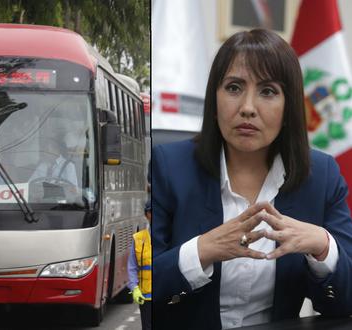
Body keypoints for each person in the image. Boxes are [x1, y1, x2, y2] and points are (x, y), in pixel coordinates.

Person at [152, 29, 352, 329]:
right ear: (214, 101)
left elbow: (343, 303)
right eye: (234, 88)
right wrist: (201, 251)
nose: (247, 107)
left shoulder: (320, 176)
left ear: (289, 109)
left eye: (268, 91)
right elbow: (141, 288)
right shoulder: (169, 167)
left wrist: (323, 247)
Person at [127, 200, 151, 330]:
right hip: (146, 297)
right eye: (151, 212)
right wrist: (134, 288)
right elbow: (132, 267)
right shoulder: (139, 239)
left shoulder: (169, 235)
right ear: (147, 215)